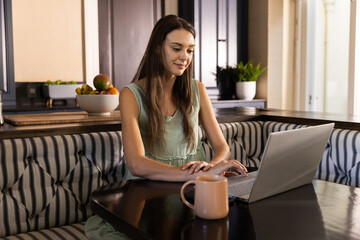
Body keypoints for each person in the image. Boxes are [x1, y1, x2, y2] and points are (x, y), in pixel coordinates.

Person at [85, 14, 247, 239]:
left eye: (190, 50)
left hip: (192, 193)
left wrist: (209, 168)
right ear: (157, 49)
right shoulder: (130, 95)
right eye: (177, 48)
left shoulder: (197, 89)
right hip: (148, 196)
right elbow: (137, 164)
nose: (184, 57)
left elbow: (222, 148)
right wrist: (200, 175)